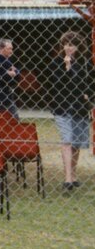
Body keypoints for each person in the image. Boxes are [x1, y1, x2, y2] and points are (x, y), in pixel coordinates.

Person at [46, 31, 92, 190]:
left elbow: (86, 84)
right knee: (67, 140)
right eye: (66, 44)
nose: (68, 48)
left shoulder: (85, 63)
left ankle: (73, 175)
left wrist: (89, 97)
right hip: (62, 107)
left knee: (76, 143)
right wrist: (66, 67)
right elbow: (56, 84)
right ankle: (67, 180)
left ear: (78, 47)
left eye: (71, 45)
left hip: (79, 107)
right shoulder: (56, 62)